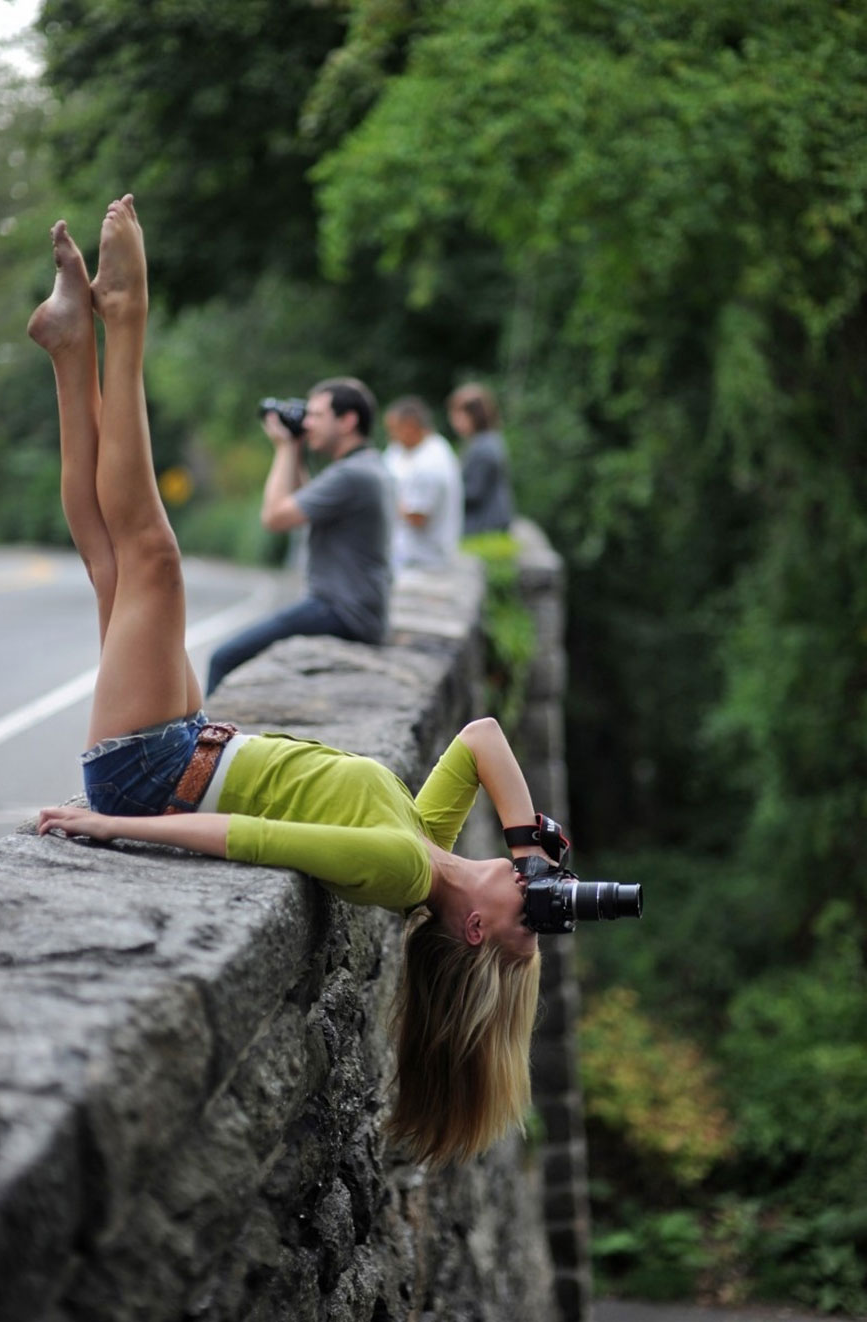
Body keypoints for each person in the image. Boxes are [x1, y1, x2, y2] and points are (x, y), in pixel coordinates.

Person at [28, 196, 557, 1167]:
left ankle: (124, 319)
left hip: (153, 770)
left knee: (152, 555)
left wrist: (110, 826)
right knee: (112, 559)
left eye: (527, 914)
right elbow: (481, 732)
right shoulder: (425, 842)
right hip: (185, 741)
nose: (533, 890)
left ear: (477, 927)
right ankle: (69, 347)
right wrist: (528, 839)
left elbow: (250, 836)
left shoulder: (400, 873)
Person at [205, 375, 393, 695]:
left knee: (224, 659)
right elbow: (305, 505)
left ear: (347, 421)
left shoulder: (352, 475)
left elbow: (275, 517)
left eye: (317, 415)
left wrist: (282, 448)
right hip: (357, 608)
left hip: (341, 611)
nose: (308, 423)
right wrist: (294, 449)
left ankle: (209, 745)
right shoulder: (366, 466)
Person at [383, 396, 463, 569]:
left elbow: (417, 517)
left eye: (394, 429)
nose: (391, 436)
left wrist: (384, 496)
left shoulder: (430, 464)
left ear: (411, 426)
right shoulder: (407, 448)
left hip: (422, 560)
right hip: (407, 553)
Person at [446, 382, 515, 536]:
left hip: (485, 527)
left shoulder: (483, 447)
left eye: (456, 414)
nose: (453, 420)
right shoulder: (485, 441)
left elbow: (473, 492)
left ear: (472, 415)